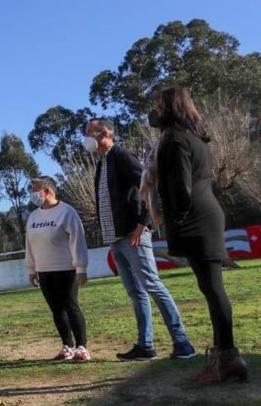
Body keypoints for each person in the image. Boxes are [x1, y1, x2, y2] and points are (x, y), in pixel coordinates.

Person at [152, 86, 248, 383]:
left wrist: (176, 220)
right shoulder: (194, 138)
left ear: (169, 107)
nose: (153, 111)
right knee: (211, 289)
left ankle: (228, 357)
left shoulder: (175, 139)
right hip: (205, 215)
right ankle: (225, 355)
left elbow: (181, 189)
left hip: (196, 219)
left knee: (213, 289)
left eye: (157, 105)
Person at [84, 118, 196, 360]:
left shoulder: (122, 156)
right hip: (115, 238)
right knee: (136, 292)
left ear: (103, 132)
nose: (85, 138)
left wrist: (142, 224)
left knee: (153, 285)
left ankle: (183, 343)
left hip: (132, 235)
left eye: (88, 132)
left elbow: (150, 187)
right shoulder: (102, 163)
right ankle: (146, 346)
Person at [25, 176, 91, 362]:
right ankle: (67, 346)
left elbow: (77, 239)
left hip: (66, 268)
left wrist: (80, 267)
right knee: (56, 309)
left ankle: (82, 347)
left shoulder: (67, 212)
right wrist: (31, 269)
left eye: (35, 189)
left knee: (71, 306)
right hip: (44, 270)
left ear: (47, 191)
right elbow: (29, 243)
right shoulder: (33, 216)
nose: (32, 194)